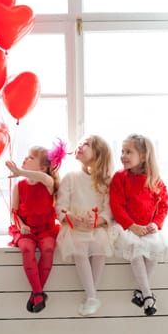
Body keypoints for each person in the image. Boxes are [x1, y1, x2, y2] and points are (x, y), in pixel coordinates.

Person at [109, 134, 168, 316]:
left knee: (155, 249)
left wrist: (156, 224)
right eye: (122, 151)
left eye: (129, 152)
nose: (123, 155)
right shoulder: (120, 178)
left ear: (143, 156)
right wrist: (131, 226)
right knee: (135, 249)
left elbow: (164, 205)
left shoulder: (154, 179)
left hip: (148, 227)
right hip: (127, 227)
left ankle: (140, 292)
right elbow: (116, 205)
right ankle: (148, 296)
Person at [55, 135, 115, 316]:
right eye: (79, 143)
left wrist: (99, 220)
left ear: (99, 153)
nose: (80, 146)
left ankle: (91, 296)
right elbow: (60, 206)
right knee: (79, 248)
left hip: (97, 227)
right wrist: (71, 218)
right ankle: (92, 296)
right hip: (74, 228)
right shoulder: (70, 177)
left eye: (86, 144)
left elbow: (110, 208)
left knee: (100, 247)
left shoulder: (107, 181)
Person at [5, 140, 67, 313]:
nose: (25, 158)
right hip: (27, 231)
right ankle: (39, 293)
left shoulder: (48, 183)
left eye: (31, 157)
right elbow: (14, 212)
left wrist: (19, 171)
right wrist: (22, 225)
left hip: (46, 229)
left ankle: (36, 294)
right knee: (26, 248)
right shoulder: (19, 187)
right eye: (26, 156)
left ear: (42, 167)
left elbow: (45, 177)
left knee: (48, 248)